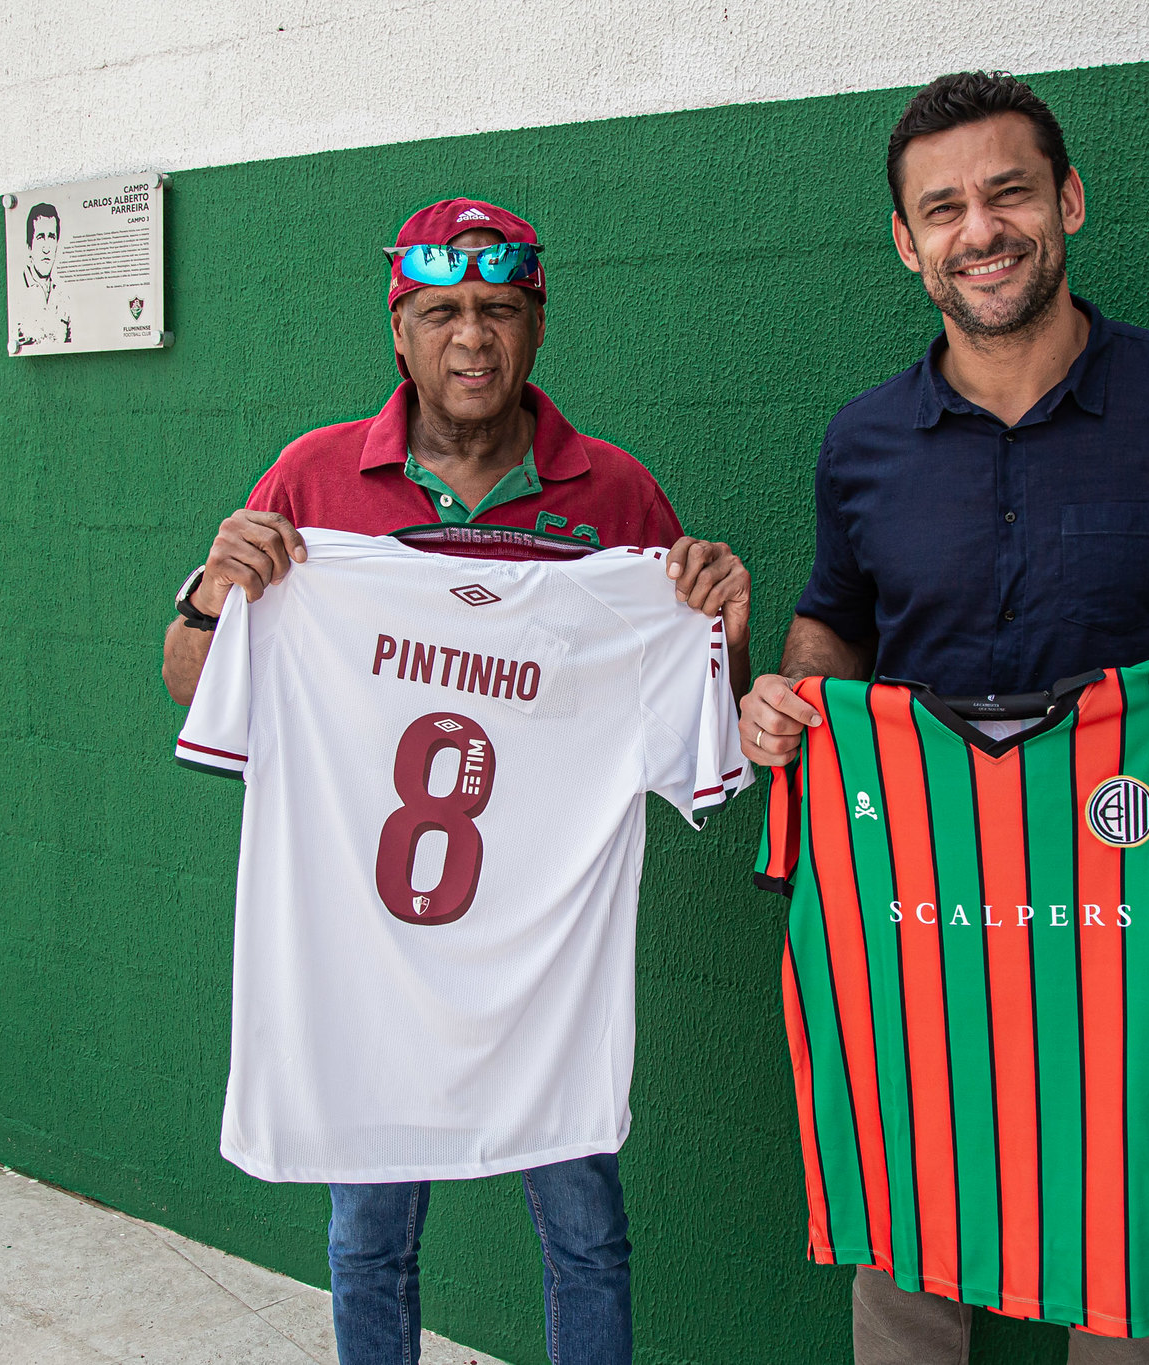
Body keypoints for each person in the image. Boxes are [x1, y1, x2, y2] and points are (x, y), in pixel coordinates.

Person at [737, 72, 1149, 1364]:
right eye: (944, 208)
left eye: (1009, 190)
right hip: (921, 920)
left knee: (1134, 1252)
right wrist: (788, 702)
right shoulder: (861, 442)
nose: (983, 227)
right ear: (909, 248)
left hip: (1129, 914)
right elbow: (828, 628)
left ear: (1067, 201)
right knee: (904, 1240)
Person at [162, 197, 752, 1365]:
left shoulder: (616, 498)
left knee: (587, 1231)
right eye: (441, 312)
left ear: (536, 325)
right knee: (367, 1234)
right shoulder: (311, 479)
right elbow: (193, 680)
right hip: (366, 959)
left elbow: (700, 714)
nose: (470, 337)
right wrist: (212, 593)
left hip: (545, 971)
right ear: (400, 332)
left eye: (498, 310)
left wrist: (719, 627)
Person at [14, 202, 70, 349]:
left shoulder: (63, 296)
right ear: (29, 246)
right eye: (40, 237)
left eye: (51, 237)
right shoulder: (17, 292)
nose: (46, 248)